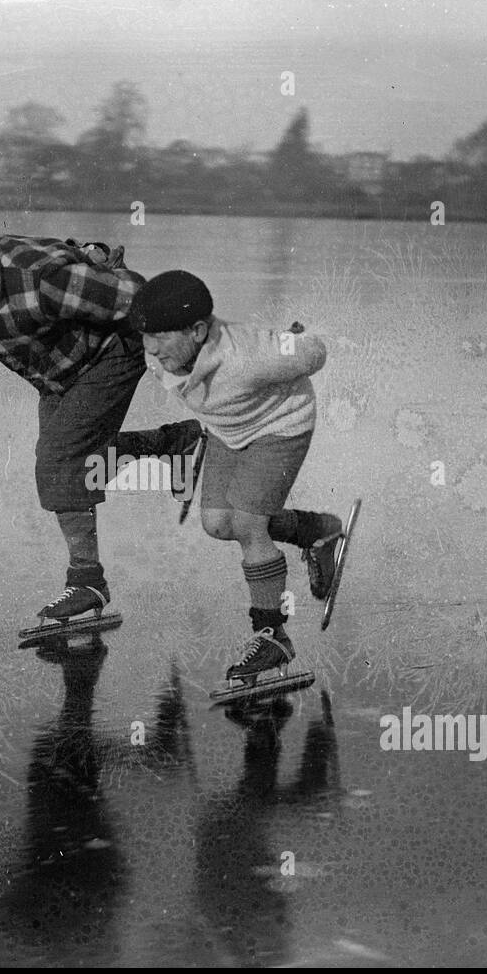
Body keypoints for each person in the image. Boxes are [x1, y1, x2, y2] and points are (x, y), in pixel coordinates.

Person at [0, 203, 202, 622]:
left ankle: (87, 582)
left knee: (59, 462)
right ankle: (172, 446)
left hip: (113, 350)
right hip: (65, 371)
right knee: (70, 462)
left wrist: (195, 355)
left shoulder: (35, 280)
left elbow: (135, 295)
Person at [127, 270, 342, 682]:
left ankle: (272, 636)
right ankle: (314, 530)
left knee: (248, 524)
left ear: (197, 330)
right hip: (230, 430)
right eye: (145, 336)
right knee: (218, 523)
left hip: (281, 425)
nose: (151, 348)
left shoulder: (248, 358)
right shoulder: (161, 354)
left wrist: (292, 341)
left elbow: (314, 351)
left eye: (161, 335)